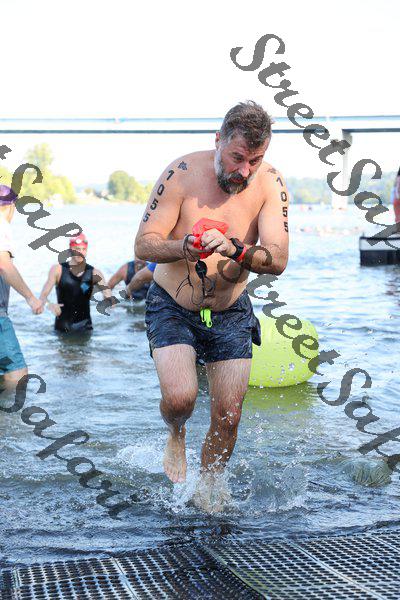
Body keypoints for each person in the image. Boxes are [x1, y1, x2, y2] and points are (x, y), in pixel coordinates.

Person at [135, 101, 289, 509]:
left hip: (231, 309)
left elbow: (278, 260)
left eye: (255, 160)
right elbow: (143, 244)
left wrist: (236, 249)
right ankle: (176, 433)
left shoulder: (270, 183)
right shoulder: (181, 173)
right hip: (172, 304)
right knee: (181, 399)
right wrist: (182, 247)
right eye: (237, 157)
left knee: (229, 416)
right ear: (218, 140)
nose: (244, 170)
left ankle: (208, 488)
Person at [0, 185, 43, 388]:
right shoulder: (1, 226)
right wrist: (30, 297)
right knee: (17, 374)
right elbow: (4, 265)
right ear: (11, 206)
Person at [39, 233, 111, 333]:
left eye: (83, 249)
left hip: (85, 328)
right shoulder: (57, 270)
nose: (80, 252)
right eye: (77, 249)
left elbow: (108, 296)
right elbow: (42, 297)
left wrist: (108, 301)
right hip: (62, 329)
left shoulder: (95, 273)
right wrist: (50, 305)